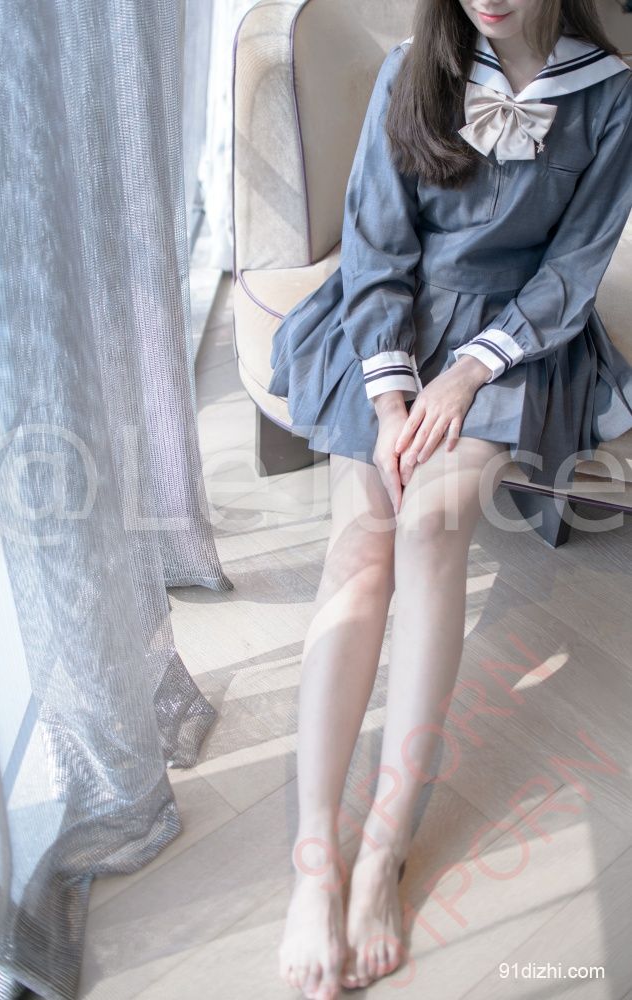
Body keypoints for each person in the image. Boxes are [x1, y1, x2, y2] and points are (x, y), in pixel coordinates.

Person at [271, 2, 632, 997]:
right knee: (363, 548)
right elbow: (375, 244)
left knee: (432, 523)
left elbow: (572, 269)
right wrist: (394, 399)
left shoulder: (609, 95)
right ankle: (316, 856)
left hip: (518, 342)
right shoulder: (412, 70)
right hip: (392, 324)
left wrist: (466, 376)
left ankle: (384, 847)